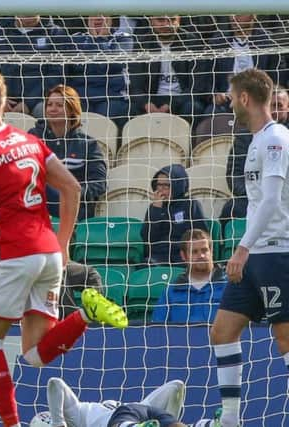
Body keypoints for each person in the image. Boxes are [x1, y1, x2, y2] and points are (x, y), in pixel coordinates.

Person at [0, 68, 127, 427]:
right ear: (4, 104)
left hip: (13, 253)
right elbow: (73, 188)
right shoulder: (30, 141)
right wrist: (64, 244)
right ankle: (85, 312)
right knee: (35, 355)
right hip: (49, 252)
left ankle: (11, 424)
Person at [210, 68, 289, 427]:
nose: (228, 100)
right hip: (256, 254)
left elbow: (272, 201)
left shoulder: (276, 139)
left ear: (245, 98)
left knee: (285, 337)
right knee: (222, 331)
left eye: (231, 94)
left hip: (277, 252)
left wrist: (241, 247)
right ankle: (230, 419)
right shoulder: (257, 140)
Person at [28, 85, 107, 220]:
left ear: (72, 109)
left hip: (74, 210)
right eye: (50, 104)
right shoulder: (33, 137)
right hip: (38, 206)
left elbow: (99, 183)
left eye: (59, 105)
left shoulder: (88, 144)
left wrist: (72, 191)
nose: (53, 109)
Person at [219, 85, 289, 229]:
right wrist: (255, 194)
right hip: (252, 197)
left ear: (287, 108)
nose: (274, 110)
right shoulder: (244, 136)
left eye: (279, 106)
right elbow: (233, 174)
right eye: (271, 105)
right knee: (231, 209)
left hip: (285, 197)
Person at [0, 16, 73, 117]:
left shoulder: (55, 34)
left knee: (46, 110)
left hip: (39, 101)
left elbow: (57, 75)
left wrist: (29, 103)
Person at [32, 378, 220, 427]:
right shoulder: (82, 410)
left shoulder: (75, 414)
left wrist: (59, 423)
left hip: (122, 419)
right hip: (141, 408)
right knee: (176, 386)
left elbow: (55, 383)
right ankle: (211, 424)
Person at [128, 15, 211, 125]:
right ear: (151, 21)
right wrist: (146, 104)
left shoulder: (193, 43)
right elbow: (135, 86)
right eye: (160, 20)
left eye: (172, 20)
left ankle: (187, 142)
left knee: (193, 108)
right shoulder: (141, 44)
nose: (167, 25)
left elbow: (197, 87)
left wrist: (170, 105)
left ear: (179, 21)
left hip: (182, 99)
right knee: (130, 109)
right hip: (152, 99)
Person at [69, 15, 133, 128]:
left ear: (111, 19)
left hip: (111, 96)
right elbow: (73, 68)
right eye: (94, 14)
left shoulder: (123, 39)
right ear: (88, 19)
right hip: (81, 96)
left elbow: (112, 65)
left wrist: (99, 39)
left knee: (104, 123)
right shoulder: (75, 39)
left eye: (103, 14)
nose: (98, 18)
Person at [152, 229, 227, 324]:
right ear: (183, 256)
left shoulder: (229, 286)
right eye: (194, 252)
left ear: (211, 251)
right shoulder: (171, 292)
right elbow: (158, 330)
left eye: (204, 250)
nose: (201, 255)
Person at [141, 164, 209, 265]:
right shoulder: (154, 207)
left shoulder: (191, 204)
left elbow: (201, 234)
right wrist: (156, 210)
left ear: (177, 185)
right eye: (159, 185)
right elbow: (148, 239)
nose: (161, 189)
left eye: (166, 185)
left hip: (185, 255)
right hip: (159, 256)